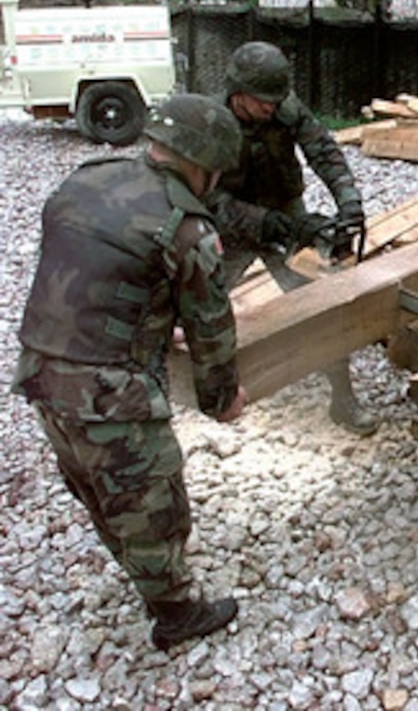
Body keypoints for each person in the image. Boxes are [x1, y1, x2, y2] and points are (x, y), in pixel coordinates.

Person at [11, 94, 248, 652]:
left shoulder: (87, 178)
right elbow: (213, 331)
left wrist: (147, 318)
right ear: (204, 162)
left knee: (98, 488)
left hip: (41, 371)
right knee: (152, 502)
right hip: (108, 394)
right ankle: (175, 614)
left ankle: (138, 569)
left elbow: (98, 267)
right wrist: (222, 401)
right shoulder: (187, 228)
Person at [206, 41, 379, 436]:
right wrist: (267, 224)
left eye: (275, 99)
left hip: (285, 212)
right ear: (238, 93)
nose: (271, 107)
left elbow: (324, 152)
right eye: (263, 100)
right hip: (229, 226)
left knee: (317, 305)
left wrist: (348, 202)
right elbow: (209, 198)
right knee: (202, 302)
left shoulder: (284, 107)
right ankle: (205, 388)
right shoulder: (210, 123)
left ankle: (342, 398)